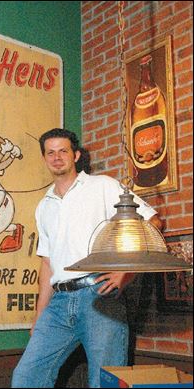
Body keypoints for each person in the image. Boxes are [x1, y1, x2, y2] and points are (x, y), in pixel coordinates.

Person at [12, 128, 162, 388]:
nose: (57, 157)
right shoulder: (44, 205)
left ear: (76, 155)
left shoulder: (102, 186)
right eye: (51, 152)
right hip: (58, 304)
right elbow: (47, 263)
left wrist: (126, 273)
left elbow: (152, 222)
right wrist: (39, 315)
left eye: (63, 151)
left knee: (105, 383)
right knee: (26, 377)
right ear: (44, 158)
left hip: (99, 296)